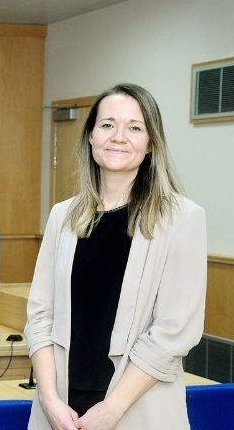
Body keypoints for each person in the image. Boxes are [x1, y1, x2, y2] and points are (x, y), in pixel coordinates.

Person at [25, 83, 207, 429]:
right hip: (60, 410)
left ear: (151, 143)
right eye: (107, 125)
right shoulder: (63, 216)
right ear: (91, 136)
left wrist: (111, 409)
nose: (118, 137)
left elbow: (174, 331)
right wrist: (49, 399)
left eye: (134, 127)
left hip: (137, 409)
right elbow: (40, 315)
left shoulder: (183, 218)